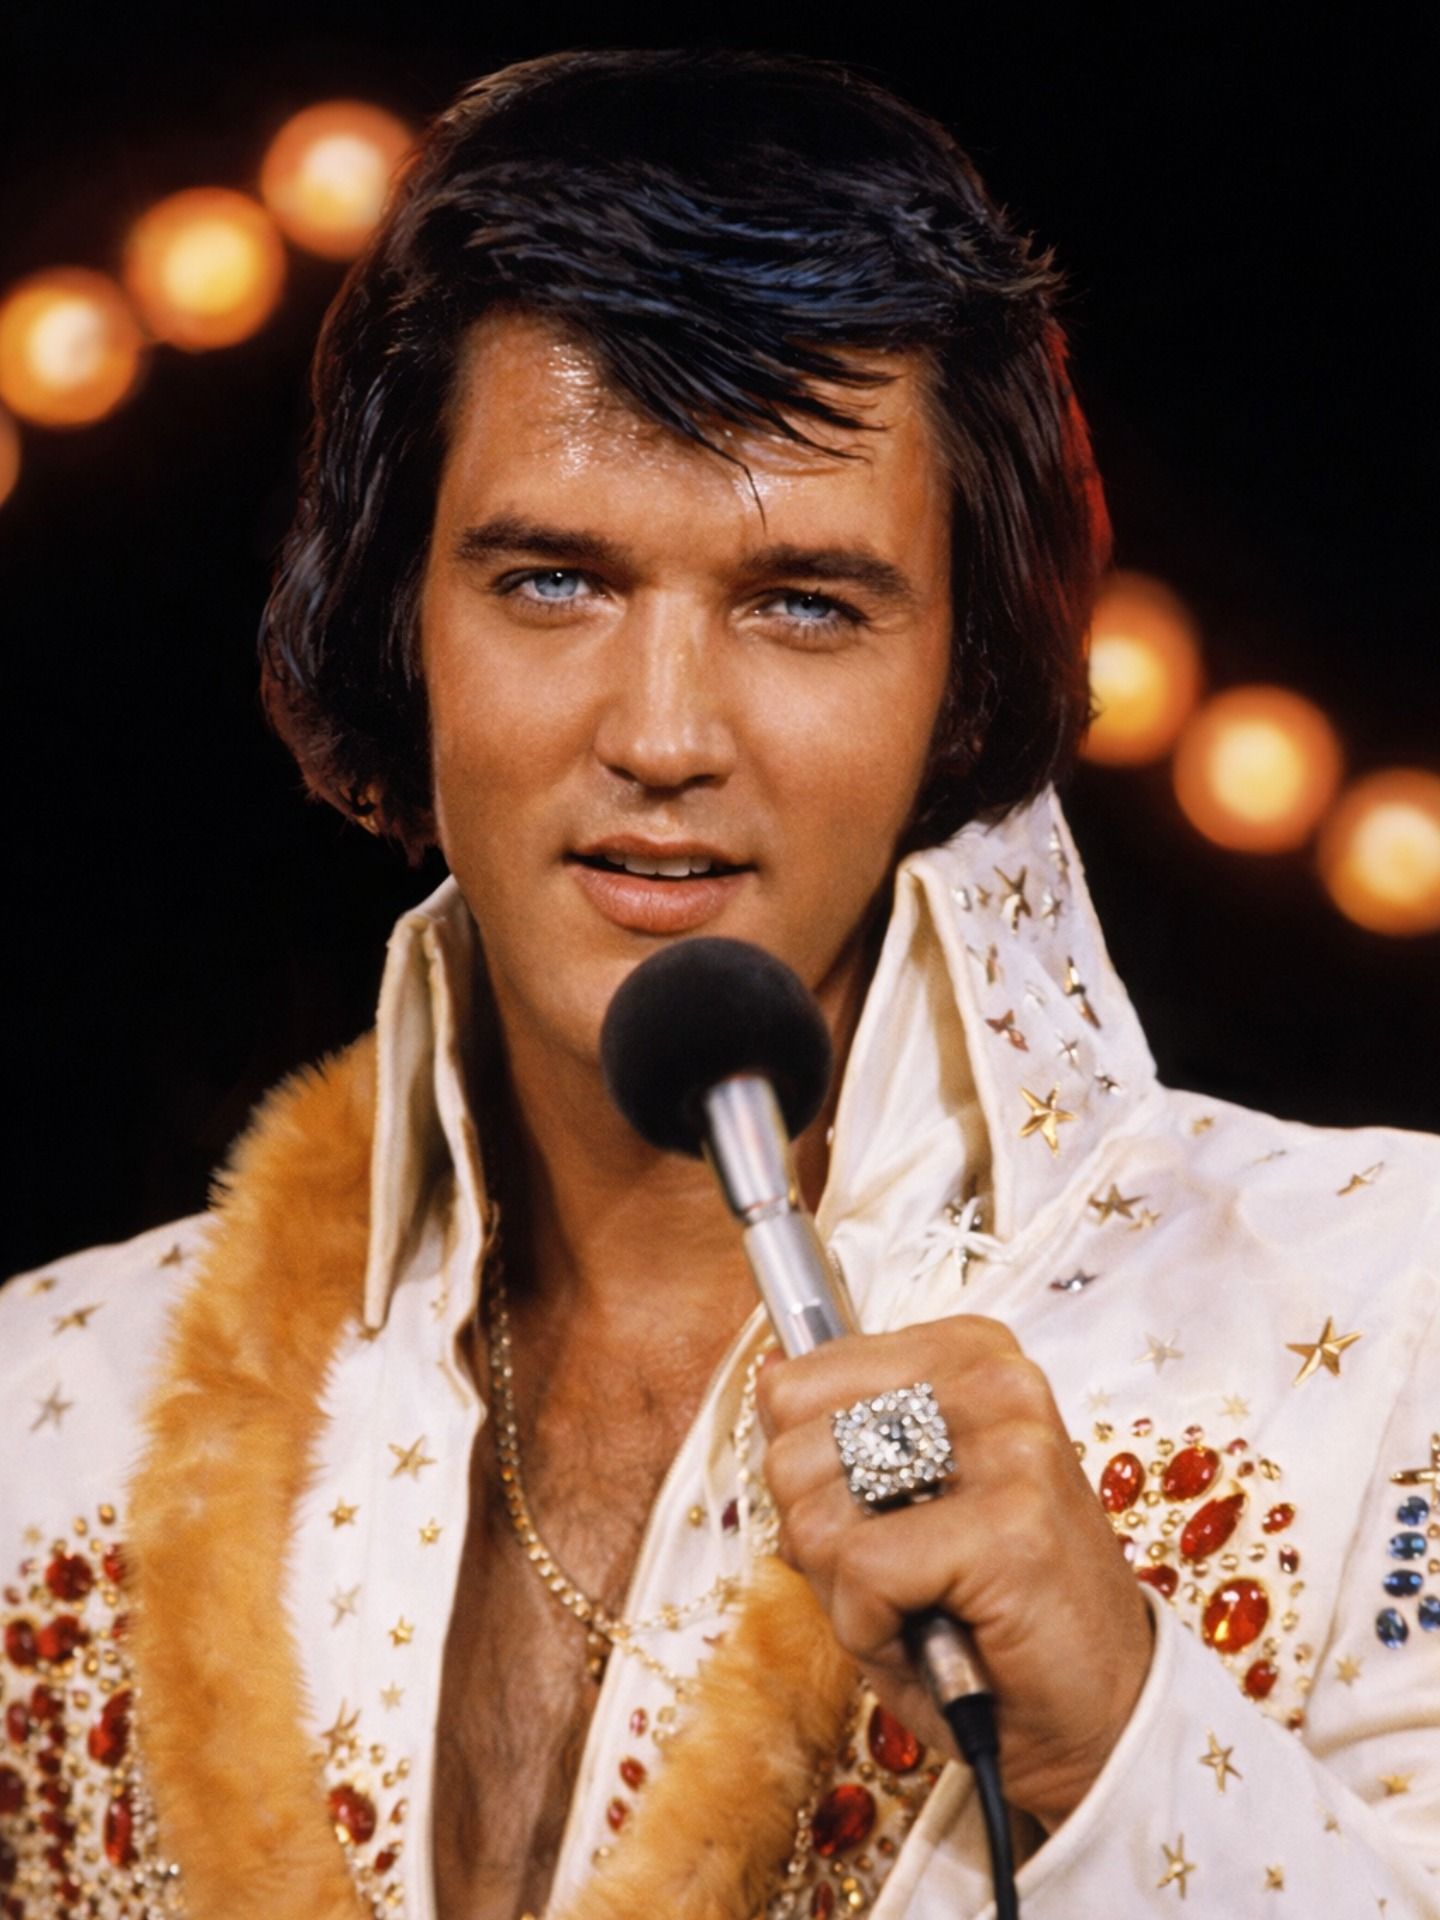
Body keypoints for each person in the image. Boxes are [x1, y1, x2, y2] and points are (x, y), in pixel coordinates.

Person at [1, 45, 1436, 1920]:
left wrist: (1119, 1733)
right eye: (554, 583)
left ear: (963, 680)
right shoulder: (54, 1404)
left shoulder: (1382, 1313)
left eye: (802, 604)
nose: (664, 734)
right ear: (396, 621)